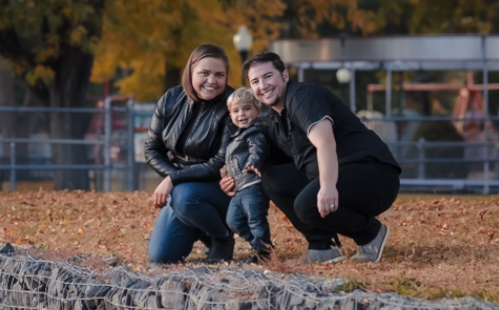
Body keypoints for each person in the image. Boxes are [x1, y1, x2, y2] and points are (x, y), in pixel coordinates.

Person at [231, 51, 401, 263]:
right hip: (339, 176)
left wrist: (328, 186)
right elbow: (263, 159)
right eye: (255, 81)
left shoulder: (302, 96)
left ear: (284, 76)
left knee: (306, 203)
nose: (262, 85)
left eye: (268, 76)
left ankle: (371, 234)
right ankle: (323, 246)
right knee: (272, 177)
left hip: (372, 174)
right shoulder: (276, 120)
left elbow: (325, 141)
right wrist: (232, 174)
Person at [145, 43, 237, 264]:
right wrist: (173, 177)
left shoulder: (233, 105)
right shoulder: (171, 98)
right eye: (204, 73)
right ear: (190, 72)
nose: (211, 80)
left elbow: (219, 162)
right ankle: (203, 227)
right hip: (183, 189)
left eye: (219, 74)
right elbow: (151, 148)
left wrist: (173, 179)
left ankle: (222, 237)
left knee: (185, 197)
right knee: (161, 257)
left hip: (220, 189)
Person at [219, 87, 271, 262]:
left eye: (247, 108)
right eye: (236, 110)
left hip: (252, 185)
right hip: (238, 188)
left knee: (256, 219)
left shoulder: (254, 131)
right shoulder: (235, 136)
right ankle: (261, 244)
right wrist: (226, 168)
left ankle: (262, 250)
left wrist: (254, 162)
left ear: (258, 110)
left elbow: (258, 148)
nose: (241, 114)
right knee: (233, 221)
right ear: (230, 115)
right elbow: (233, 157)